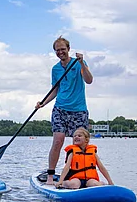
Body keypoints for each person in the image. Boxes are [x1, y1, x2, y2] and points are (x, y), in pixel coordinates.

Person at [35, 36, 94, 185]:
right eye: (57, 50)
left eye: (63, 49)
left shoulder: (78, 63)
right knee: (58, 141)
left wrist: (82, 63)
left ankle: (79, 175)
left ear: (68, 49)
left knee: (80, 144)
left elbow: (89, 80)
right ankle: (50, 176)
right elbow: (55, 90)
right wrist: (43, 103)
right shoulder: (55, 69)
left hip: (79, 110)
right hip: (60, 109)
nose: (60, 52)